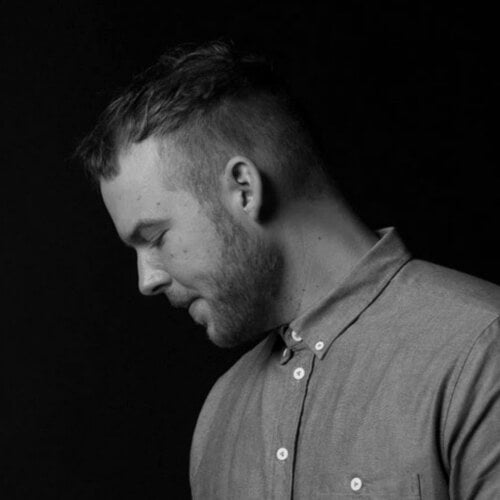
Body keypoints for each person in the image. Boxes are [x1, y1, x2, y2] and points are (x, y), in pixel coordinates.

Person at [77, 41, 500, 499]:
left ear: (244, 189)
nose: (147, 280)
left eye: (156, 237)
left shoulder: (480, 353)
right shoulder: (221, 415)